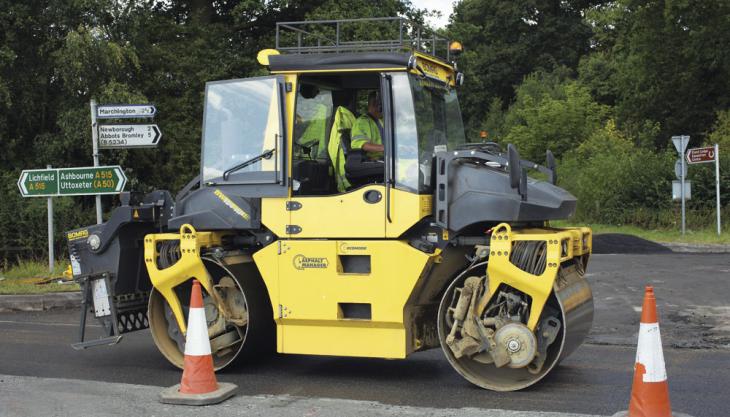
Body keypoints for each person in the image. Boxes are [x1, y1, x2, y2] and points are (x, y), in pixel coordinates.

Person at [350, 91, 385, 160]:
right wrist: (386, 148)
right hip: (371, 161)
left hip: (383, 159)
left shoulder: (380, 121)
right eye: (381, 106)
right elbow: (362, 145)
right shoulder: (362, 122)